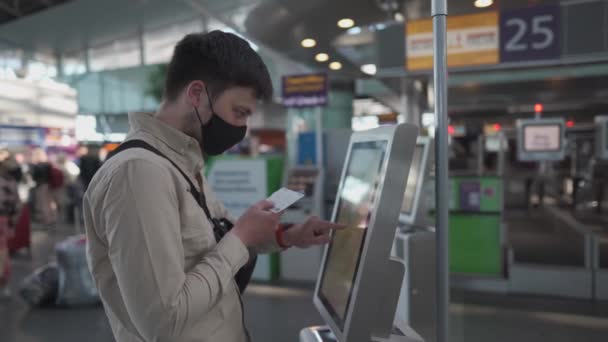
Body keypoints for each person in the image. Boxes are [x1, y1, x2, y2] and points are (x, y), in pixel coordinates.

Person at [83, 31, 343, 342]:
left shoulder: (181, 162)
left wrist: (286, 235)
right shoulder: (139, 172)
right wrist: (242, 235)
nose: (242, 128)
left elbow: (215, 242)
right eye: (239, 112)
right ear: (197, 94)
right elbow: (163, 321)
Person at [0, 158, 21, 298]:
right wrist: (13, 221)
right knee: (2, 252)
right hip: (2, 218)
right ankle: (3, 284)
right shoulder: (10, 182)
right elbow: (15, 203)